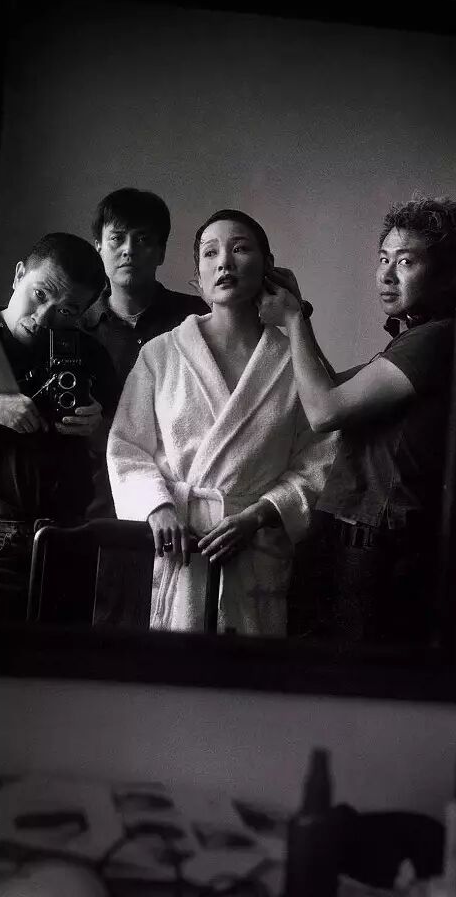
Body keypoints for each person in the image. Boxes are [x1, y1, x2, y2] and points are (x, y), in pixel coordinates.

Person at [107, 209, 338, 636]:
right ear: (198, 278)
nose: (225, 262)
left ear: (268, 265)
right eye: (210, 253)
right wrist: (157, 507)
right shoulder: (160, 354)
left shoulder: (295, 361)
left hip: (256, 551)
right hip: (181, 546)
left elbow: (319, 460)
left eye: (240, 249)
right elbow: (126, 448)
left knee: (248, 673)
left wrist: (258, 515)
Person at [258, 196, 456, 643]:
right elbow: (330, 386)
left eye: (405, 262)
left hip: (374, 549)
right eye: (383, 259)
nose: (386, 275)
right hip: (356, 540)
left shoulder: (435, 340)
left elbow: (324, 411)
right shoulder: (415, 338)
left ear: (448, 272)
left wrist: (293, 320)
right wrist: (299, 313)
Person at [0, 232, 120, 622]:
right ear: (19, 274)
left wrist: (96, 427)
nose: (44, 317)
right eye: (40, 294)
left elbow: (127, 447)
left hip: (68, 539)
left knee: (59, 656)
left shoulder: (90, 353)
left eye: (67, 311)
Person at [81, 188, 209, 521]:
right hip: (92, 501)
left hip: (183, 505)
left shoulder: (197, 318)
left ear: (161, 252)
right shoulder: (76, 327)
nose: (128, 250)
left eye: (142, 239)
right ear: (98, 247)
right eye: (117, 239)